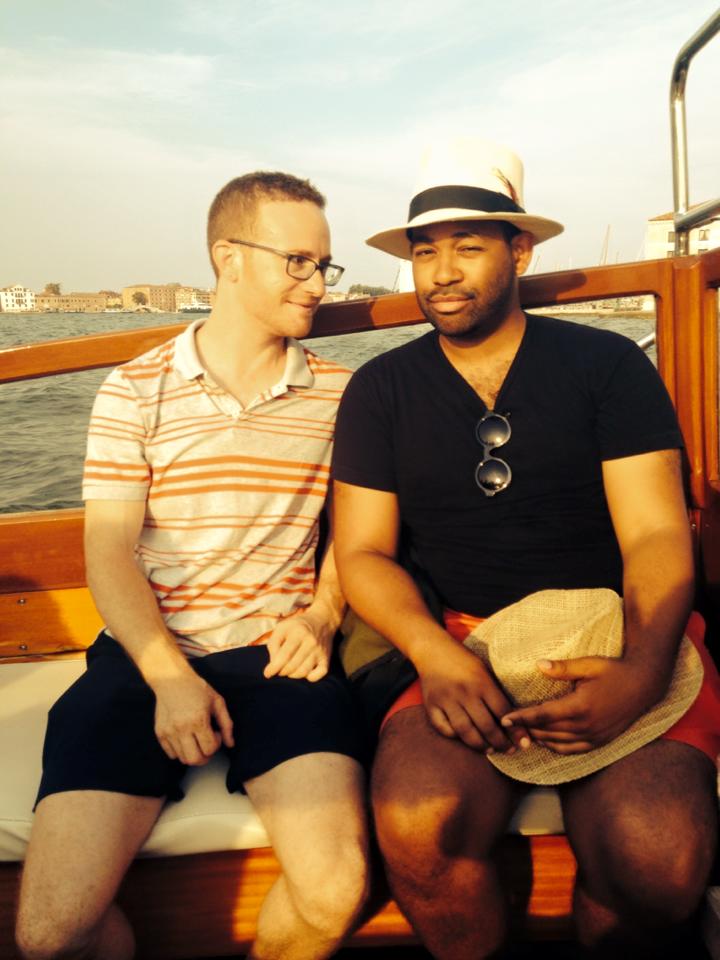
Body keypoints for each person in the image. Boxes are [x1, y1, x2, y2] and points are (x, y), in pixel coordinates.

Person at [332, 139, 720, 959]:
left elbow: (655, 533)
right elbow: (362, 553)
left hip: (616, 633)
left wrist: (642, 671)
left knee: (659, 857)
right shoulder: (381, 390)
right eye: (424, 251)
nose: (441, 272)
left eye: (468, 247)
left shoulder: (605, 365)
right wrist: (435, 654)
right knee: (416, 826)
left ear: (520, 251)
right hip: (460, 641)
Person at [16, 171, 368, 960]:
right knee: (49, 934)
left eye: (325, 265)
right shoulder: (134, 391)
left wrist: (323, 615)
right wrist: (170, 678)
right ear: (228, 258)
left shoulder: (341, 394)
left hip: (277, 654)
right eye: (299, 262)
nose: (318, 285)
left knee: (334, 891)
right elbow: (109, 551)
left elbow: (355, 533)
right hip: (145, 654)